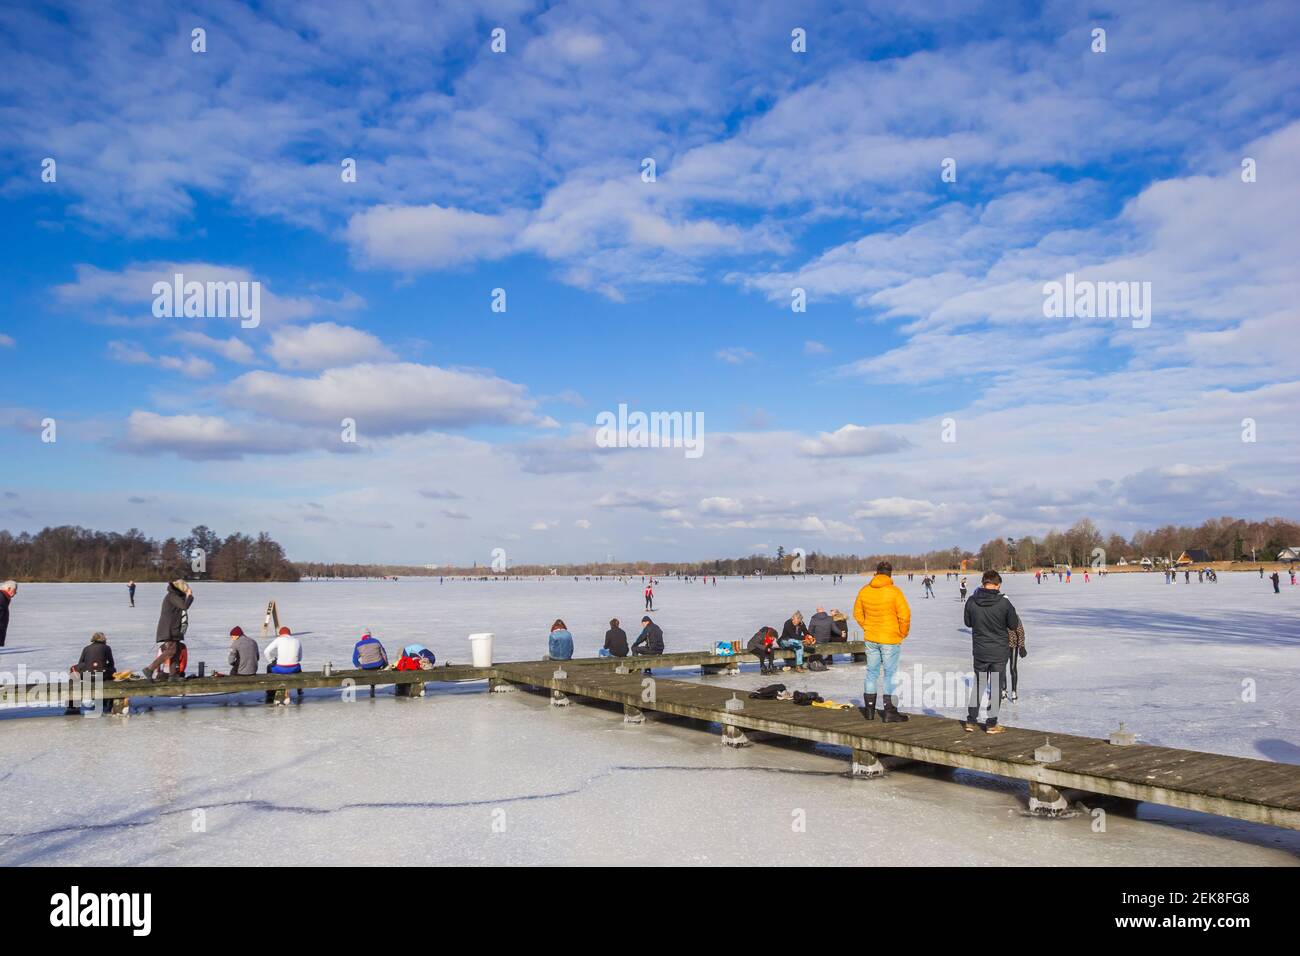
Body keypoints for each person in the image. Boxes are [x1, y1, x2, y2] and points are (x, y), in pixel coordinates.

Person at [962, 570, 1021, 734]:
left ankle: (971, 721)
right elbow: (1013, 625)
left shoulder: (972, 601)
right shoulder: (1004, 602)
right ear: (998, 584)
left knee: (979, 684)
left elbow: (967, 623)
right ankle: (991, 723)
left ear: (983, 583)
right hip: (998, 652)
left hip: (980, 650)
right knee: (995, 686)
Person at [854, 561, 911, 722]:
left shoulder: (865, 590)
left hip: (871, 637)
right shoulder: (894, 592)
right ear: (890, 574)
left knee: (871, 673)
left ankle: (870, 711)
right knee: (889, 674)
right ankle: (890, 712)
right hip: (890, 639)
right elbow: (905, 615)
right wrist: (902, 633)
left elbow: (857, 613)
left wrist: (867, 626)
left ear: (876, 573)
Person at [144, 579, 192, 681]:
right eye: (186, 588)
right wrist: (190, 596)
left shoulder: (176, 596)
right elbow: (184, 606)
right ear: (181, 588)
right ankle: (149, 669)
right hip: (169, 629)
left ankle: (173, 675)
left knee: (177, 650)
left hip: (174, 629)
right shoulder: (172, 595)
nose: (187, 590)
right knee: (171, 651)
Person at [0, 580, 15, 648]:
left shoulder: (4, 599)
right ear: (9, 588)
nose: (15, 593)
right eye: (14, 590)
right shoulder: (1, 599)